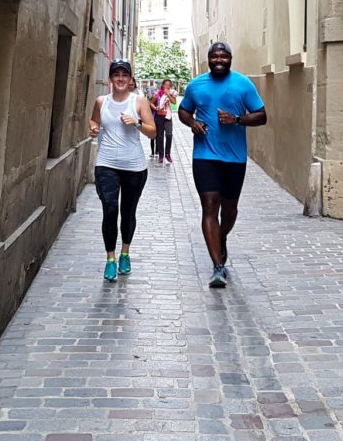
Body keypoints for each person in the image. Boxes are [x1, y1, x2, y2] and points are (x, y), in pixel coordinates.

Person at [178, 42, 266, 288]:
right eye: (214, 56)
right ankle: (218, 267)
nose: (219, 60)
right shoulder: (196, 85)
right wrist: (193, 123)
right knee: (209, 206)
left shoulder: (243, 84)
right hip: (205, 156)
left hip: (234, 158)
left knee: (229, 210)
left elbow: (262, 115)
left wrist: (237, 119)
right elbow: (183, 111)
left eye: (223, 56)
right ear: (208, 59)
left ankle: (221, 237)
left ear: (230, 58)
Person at [89, 59, 157, 282]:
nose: (120, 78)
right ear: (110, 79)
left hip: (134, 167)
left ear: (130, 80)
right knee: (109, 209)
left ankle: (125, 254)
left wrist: (136, 123)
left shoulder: (139, 102)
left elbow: (153, 133)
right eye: (116, 75)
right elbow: (94, 121)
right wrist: (93, 128)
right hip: (106, 164)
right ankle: (110, 259)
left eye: (124, 75)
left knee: (128, 211)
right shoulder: (101, 101)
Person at [151, 79, 177, 164]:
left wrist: (168, 94)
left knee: (169, 135)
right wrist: (155, 108)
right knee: (160, 136)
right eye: (166, 84)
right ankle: (161, 156)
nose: (167, 86)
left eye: (169, 85)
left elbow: (174, 102)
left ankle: (167, 154)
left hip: (168, 117)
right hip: (159, 116)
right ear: (162, 85)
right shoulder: (157, 93)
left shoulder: (171, 93)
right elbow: (151, 103)